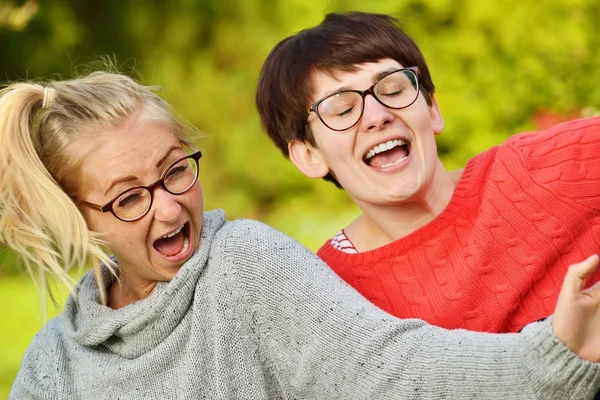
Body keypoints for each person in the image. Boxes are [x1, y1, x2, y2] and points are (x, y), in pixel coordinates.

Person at [2, 71, 600, 400]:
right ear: (80, 217)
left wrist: (556, 351)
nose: (169, 207)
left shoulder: (243, 267)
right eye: (129, 197)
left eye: (176, 170)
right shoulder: (56, 362)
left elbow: (396, 370)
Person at [256, 11, 600, 334]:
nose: (377, 115)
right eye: (343, 109)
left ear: (432, 108)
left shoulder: (536, 169)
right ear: (309, 155)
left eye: (392, 89)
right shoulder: (332, 297)